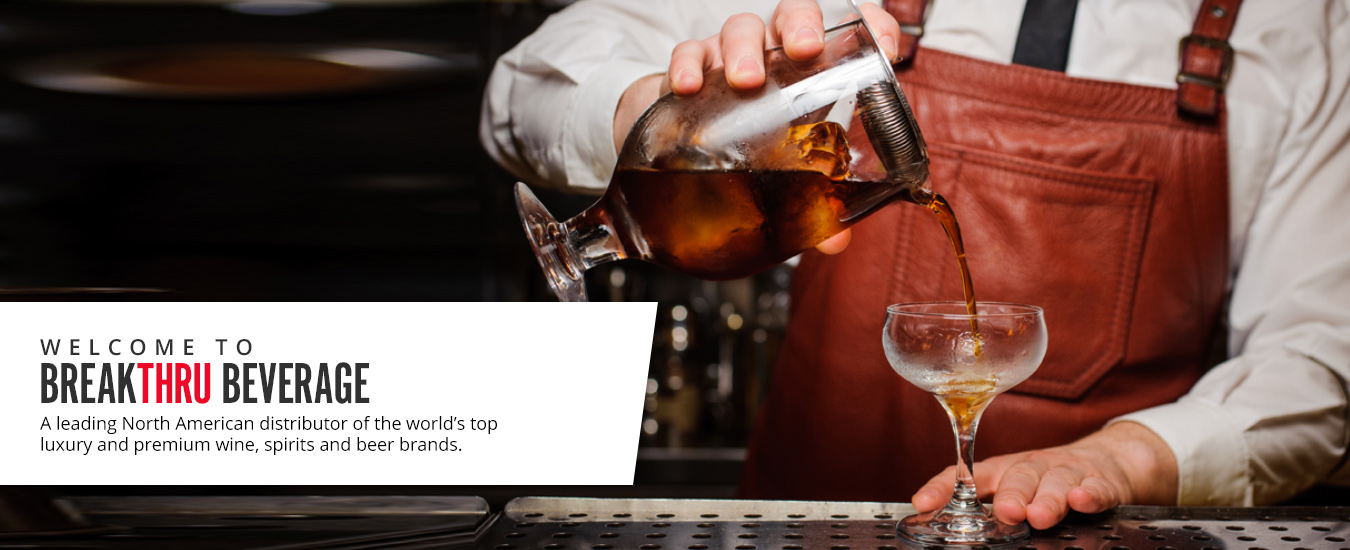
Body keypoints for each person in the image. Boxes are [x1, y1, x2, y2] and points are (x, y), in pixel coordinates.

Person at [481, 0, 1350, 529]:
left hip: (1096, 532)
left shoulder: (1302, 24)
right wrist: (644, 108)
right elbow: (519, 89)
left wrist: (1132, 458)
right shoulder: (835, 16)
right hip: (799, 526)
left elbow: (1317, 354)